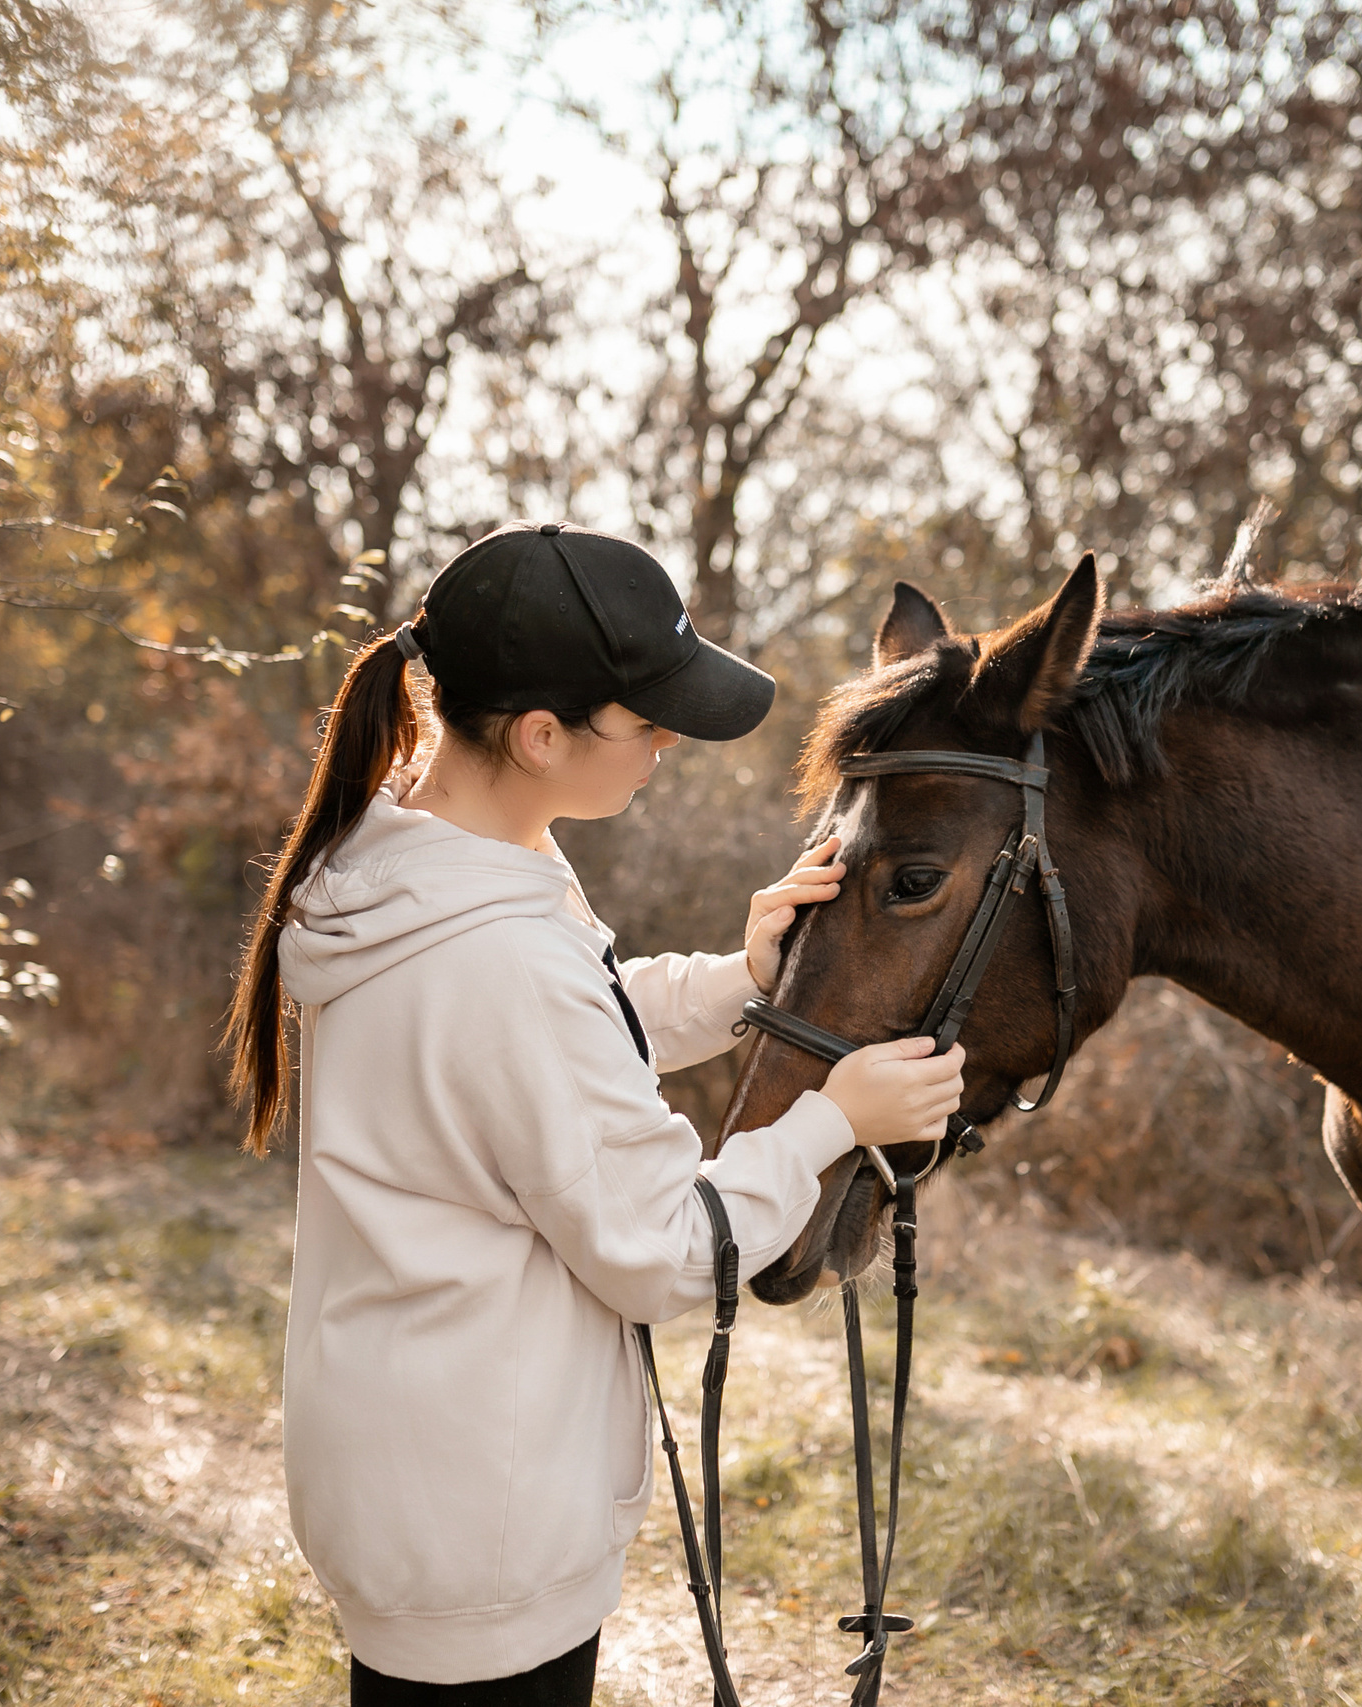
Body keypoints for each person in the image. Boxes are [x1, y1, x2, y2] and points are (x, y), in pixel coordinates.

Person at [222, 522, 966, 1705]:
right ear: (539, 734)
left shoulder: (410, 867)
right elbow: (661, 1250)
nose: (668, 740)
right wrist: (835, 1120)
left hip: (414, 1471)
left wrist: (743, 979)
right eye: (647, 718)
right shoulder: (493, 949)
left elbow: (569, 1038)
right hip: (484, 1519)